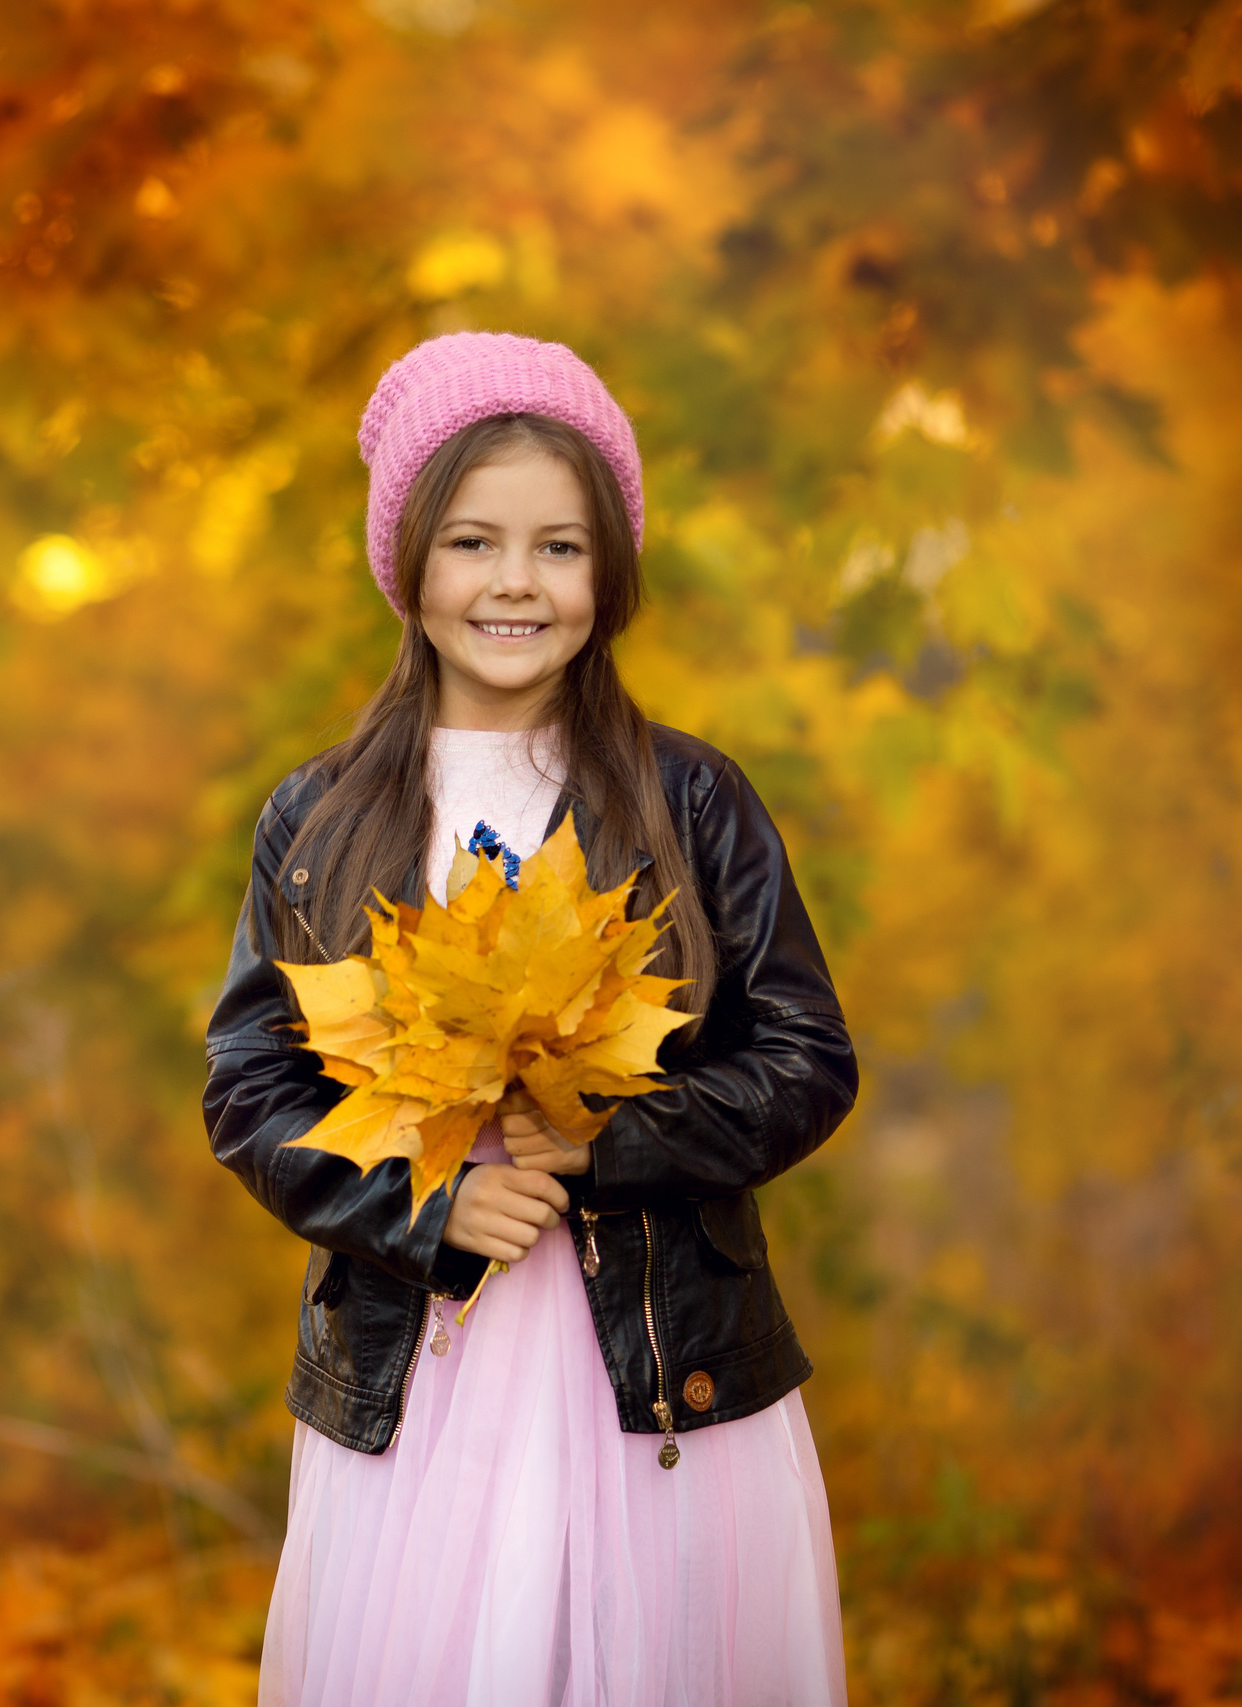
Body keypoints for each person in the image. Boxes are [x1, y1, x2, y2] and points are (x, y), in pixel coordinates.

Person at [204, 333, 857, 1706]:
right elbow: (252, 1091)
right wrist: (420, 1210)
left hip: (659, 1370)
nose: (515, 583)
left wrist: (612, 1146)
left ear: (607, 573)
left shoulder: (692, 801)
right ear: (410, 565)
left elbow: (805, 1057)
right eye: (472, 542)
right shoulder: (319, 820)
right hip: (422, 1377)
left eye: (559, 547)